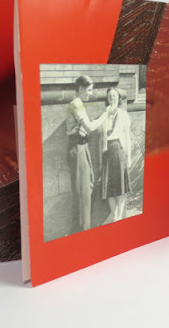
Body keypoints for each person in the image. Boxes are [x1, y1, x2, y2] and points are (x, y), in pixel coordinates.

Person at [66, 75, 111, 231]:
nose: (90, 94)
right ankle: (81, 231)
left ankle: (83, 229)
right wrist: (105, 115)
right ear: (81, 89)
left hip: (81, 146)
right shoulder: (76, 104)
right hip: (77, 147)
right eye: (89, 90)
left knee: (87, 188)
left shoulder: (78, 104)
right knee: (83, 192)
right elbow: (90, 128)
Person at [100, 87, 132, 224]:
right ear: (107, 99)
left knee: (120, 187)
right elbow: (101, 138)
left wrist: (129, 156)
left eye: (114, 96)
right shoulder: (104, 115)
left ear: (118, 99)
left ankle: (119, 216)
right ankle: (114, 216)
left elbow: (127, 136)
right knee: (109, 188)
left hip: (119, 150)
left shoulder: (123, 114)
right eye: (110, 96)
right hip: (107, 153)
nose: (112, 98)